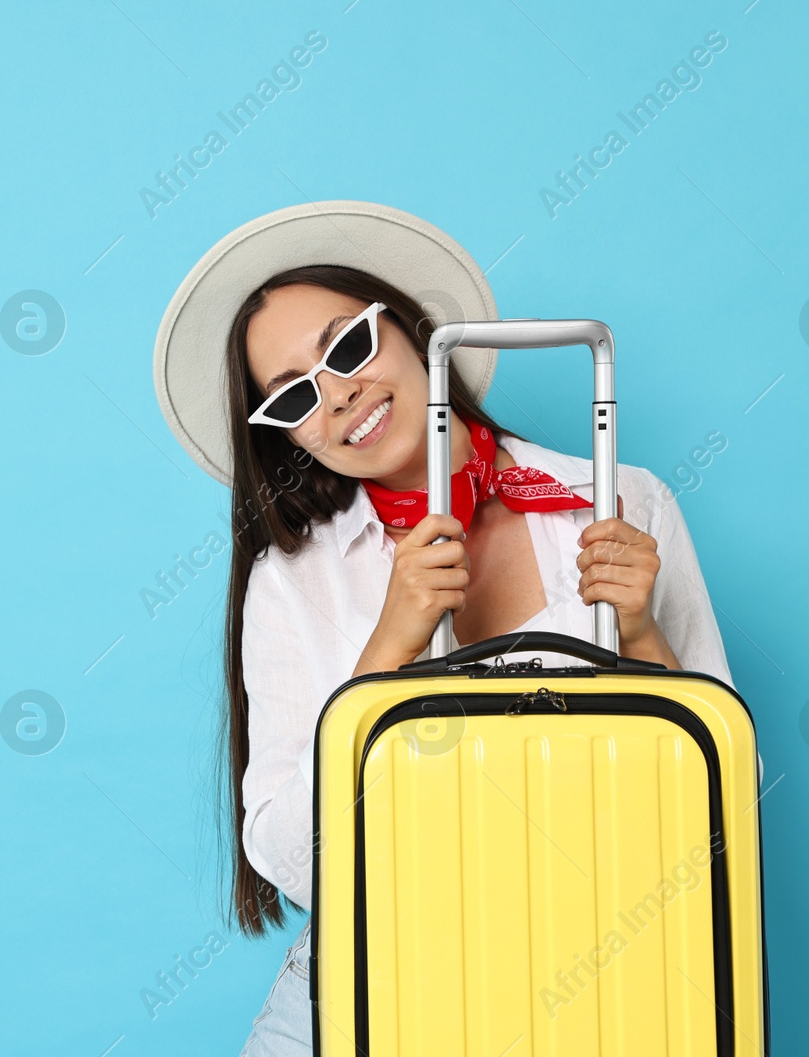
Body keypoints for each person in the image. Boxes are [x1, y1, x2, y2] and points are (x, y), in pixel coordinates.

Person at [152, 201, 735, 1055]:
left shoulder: (623, 504)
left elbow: (726, 808)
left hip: (596, 971)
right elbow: (290, 858)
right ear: (292, 439)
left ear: (417, 330)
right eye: (295, 398)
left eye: (348, 347)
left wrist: (644, 637)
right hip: (373, 970)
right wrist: (387, 649)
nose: (341, 393)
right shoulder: (292, 583)